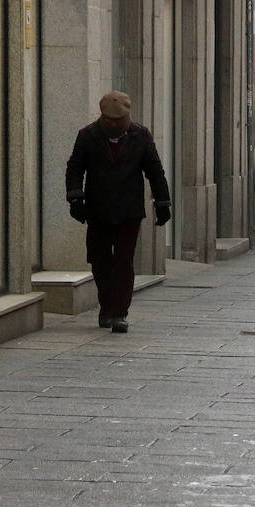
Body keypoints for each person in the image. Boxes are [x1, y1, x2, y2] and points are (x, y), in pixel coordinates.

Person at [65, 91, 171, 332]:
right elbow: (75, 168)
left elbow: (155, 170)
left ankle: (120, 313)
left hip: (128, 211)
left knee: (124, 261)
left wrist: (162, 203)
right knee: (99, 261)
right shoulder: (88, 135)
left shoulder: (141, 136)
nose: (113, 125)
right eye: (108, 120)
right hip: (97, 209)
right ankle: (107, 306)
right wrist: (75, 198)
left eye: (117, 121)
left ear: (126, 118)